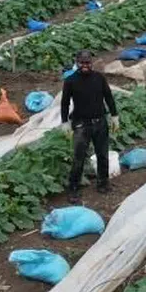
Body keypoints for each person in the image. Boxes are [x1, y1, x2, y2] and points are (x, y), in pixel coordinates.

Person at [61, 50, 118, 203]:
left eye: (87, 63)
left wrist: (114, 116)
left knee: (103, 154)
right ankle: (73, 189)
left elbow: (108, 97)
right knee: (79, 157)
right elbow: (65, 103)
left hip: (100, 121)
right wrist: (65, 122)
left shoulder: (99, 78)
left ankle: (103, 183)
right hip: (81, 124)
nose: (85, 66)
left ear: (91, 63)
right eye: (82, 63)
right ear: (77, 63)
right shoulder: (70, 81)